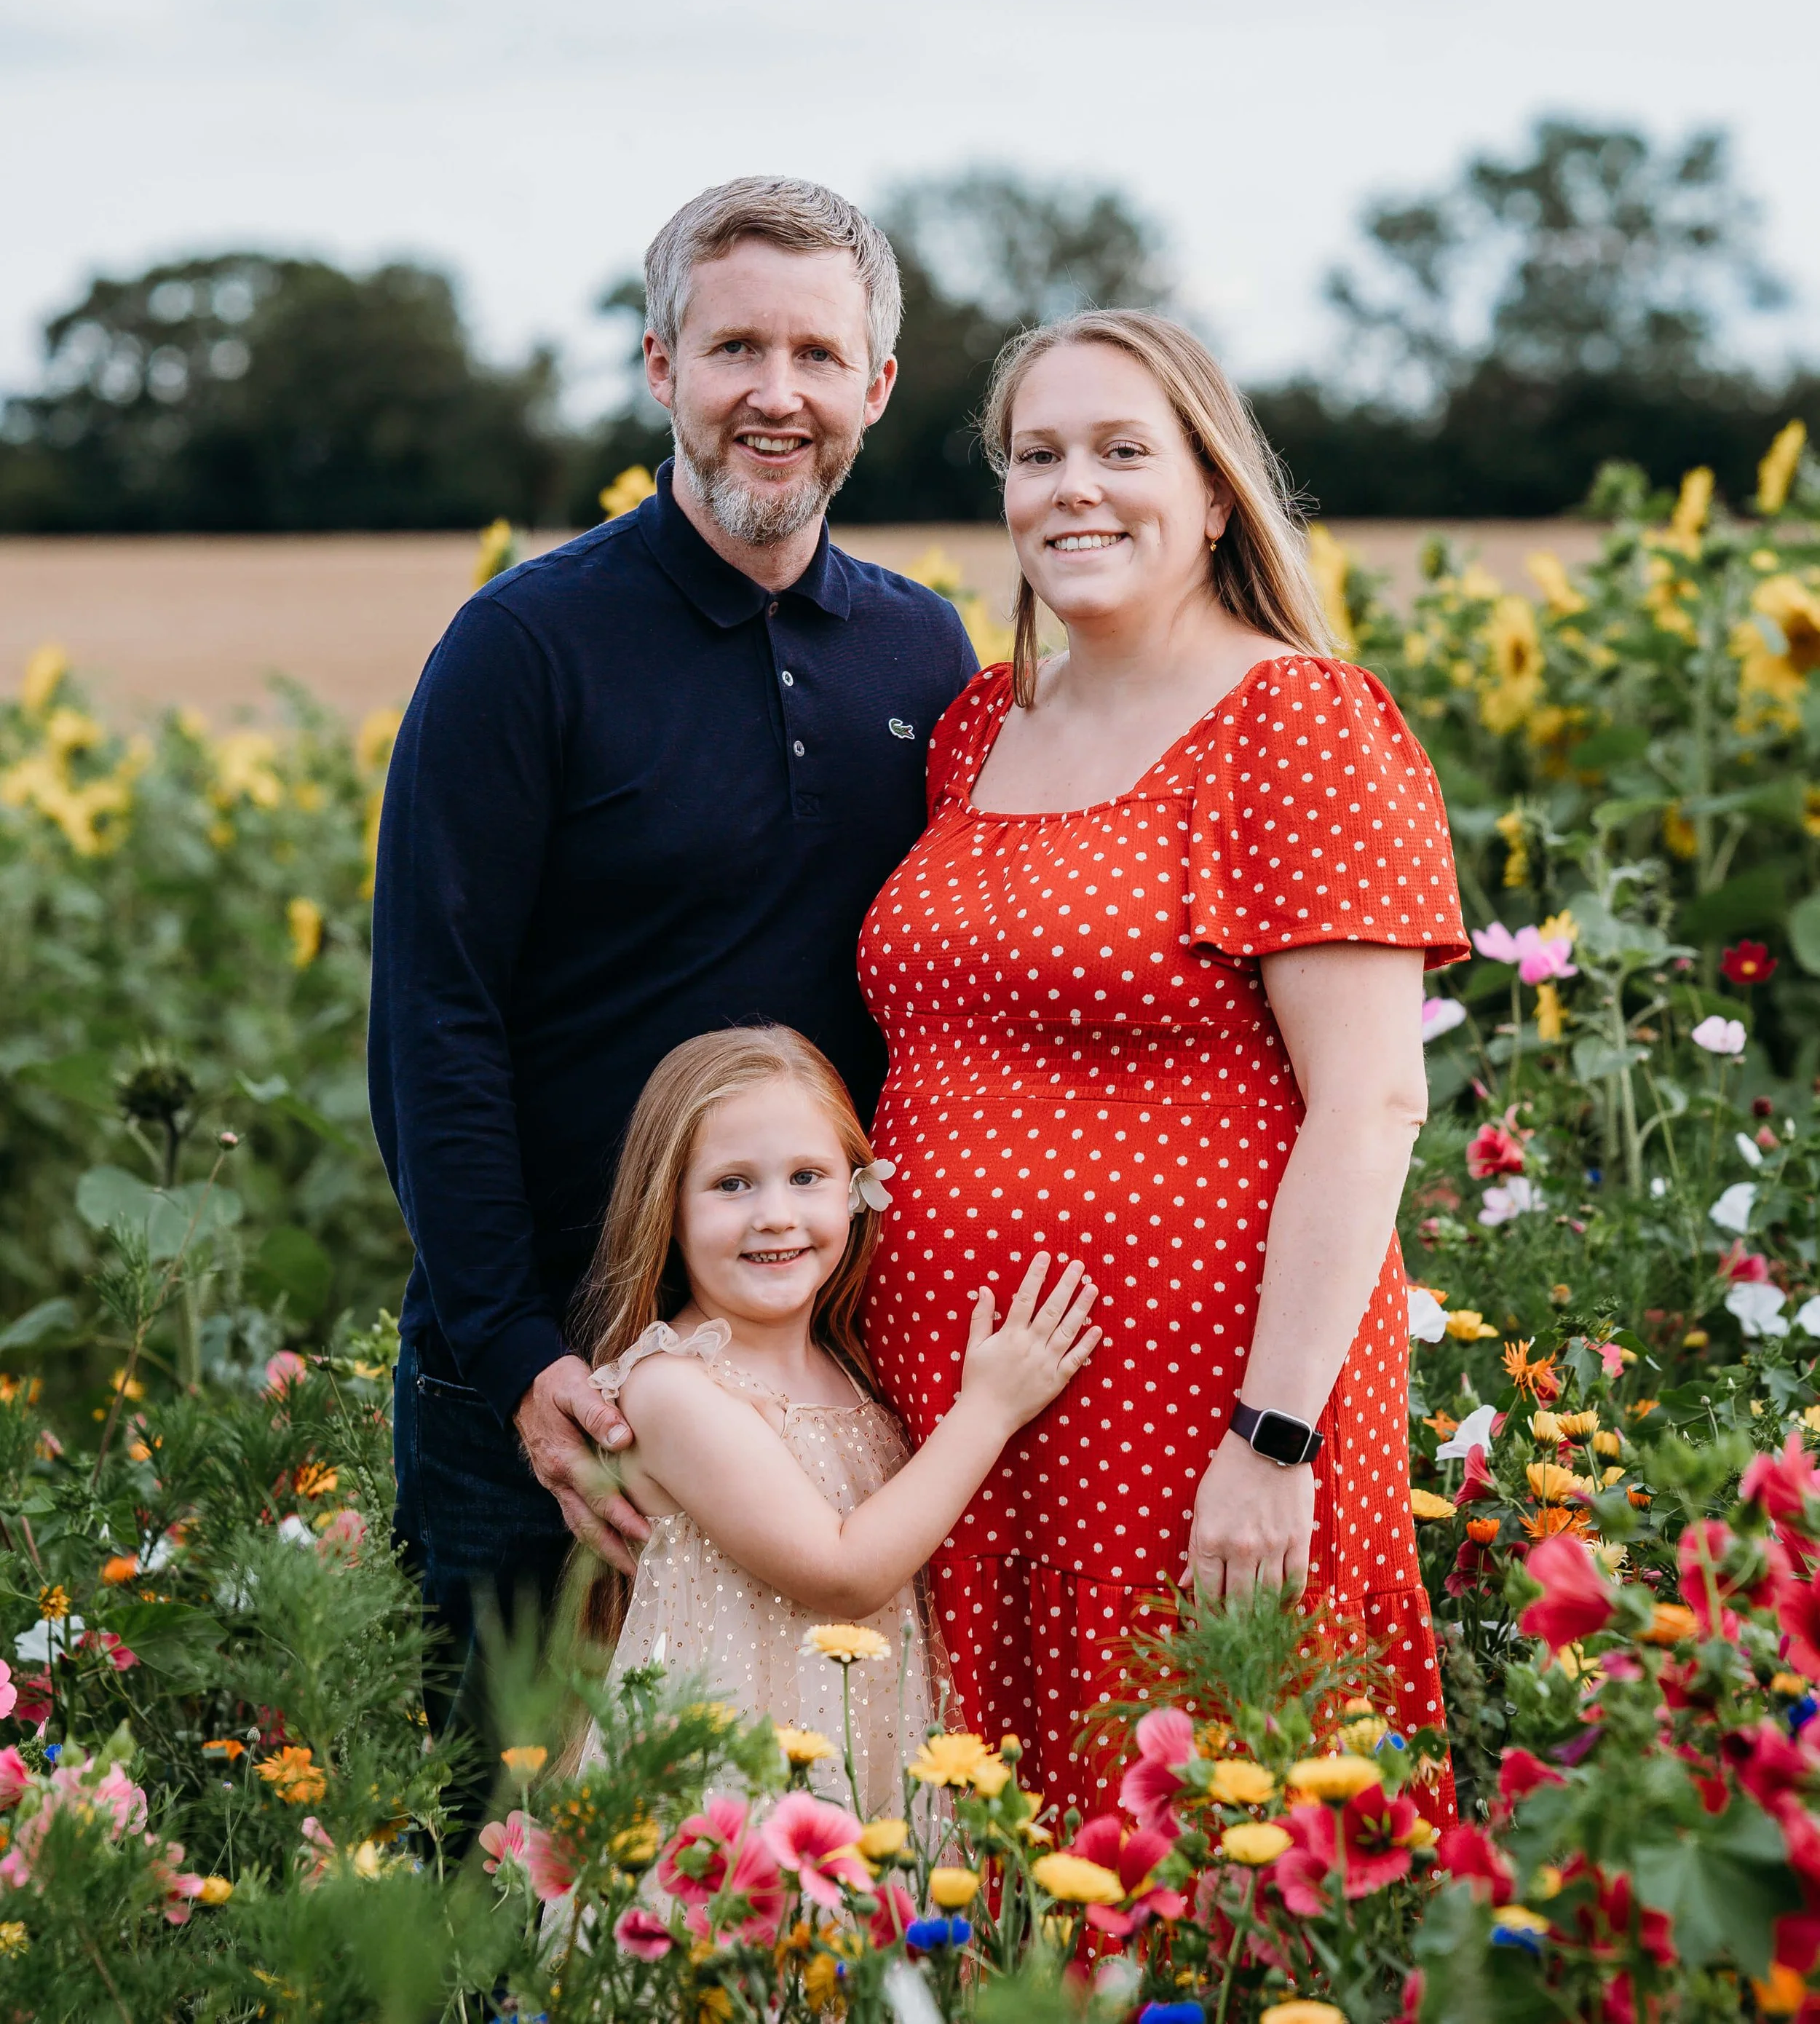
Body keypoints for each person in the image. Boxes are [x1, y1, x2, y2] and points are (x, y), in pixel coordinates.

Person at [369, 179, 977, 1781]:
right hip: (539, 1382)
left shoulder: (928, 661)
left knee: (786, 1835)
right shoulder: (526, 646)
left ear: (875, 389)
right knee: (489, 1841)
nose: (774, 393)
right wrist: (519, 1359)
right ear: (659, 368)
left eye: (815, 353)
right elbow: (433, 1018)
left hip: (799, 1381)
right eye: (732, 349)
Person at [856, 310, 1468, 1823]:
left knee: (1204, 1815)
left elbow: (1372, 1097)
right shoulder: (978, 723)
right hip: (966, 1401)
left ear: (1211, 494)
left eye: (1122, 450)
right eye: (1036, 454)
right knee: (994, 1848)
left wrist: (1274, 1436)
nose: (1074, 488)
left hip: (1199, 1396)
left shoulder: (1295, 722)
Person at [563, 1025, 1099, 1813]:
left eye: (807, 1175)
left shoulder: (846, 1363)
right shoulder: (672, 1386)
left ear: (857, 1187)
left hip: (860, 1757)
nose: (775, 1214)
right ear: (666, 1205)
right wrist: (989, 1408)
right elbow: (843, 1573)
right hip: (735, 1785)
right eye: (732, 1184)